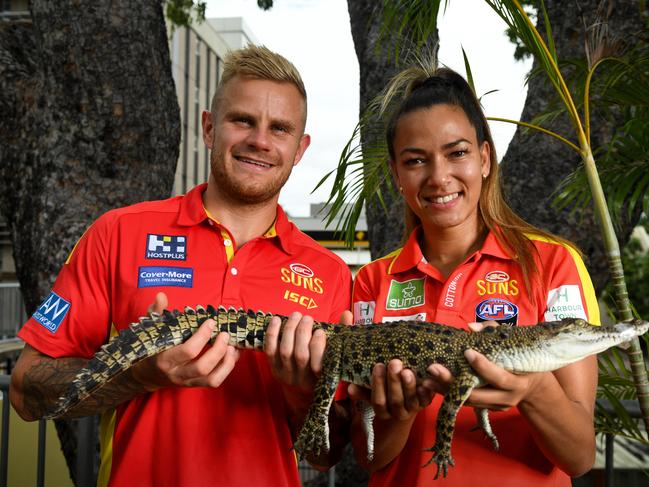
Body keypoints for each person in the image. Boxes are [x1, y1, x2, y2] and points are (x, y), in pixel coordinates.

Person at [10, 45, 352, 486]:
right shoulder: (118, 235)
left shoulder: (329, 273)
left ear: (301, 148)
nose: (260, 141)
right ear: (210, 127)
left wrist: (302, 394)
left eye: (280, 128)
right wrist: (137, 374)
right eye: (242, 120)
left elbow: (327, 455)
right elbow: (25, 390)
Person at [348, 64, 600, 486]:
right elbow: (369, 457)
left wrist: (534, 390)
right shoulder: (372, 281)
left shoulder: (554, 264)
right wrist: (400, 412)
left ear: (484, 158)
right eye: (415, 161)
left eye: (457, 152)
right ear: (396, 175)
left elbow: (579, 455)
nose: (439, 176)